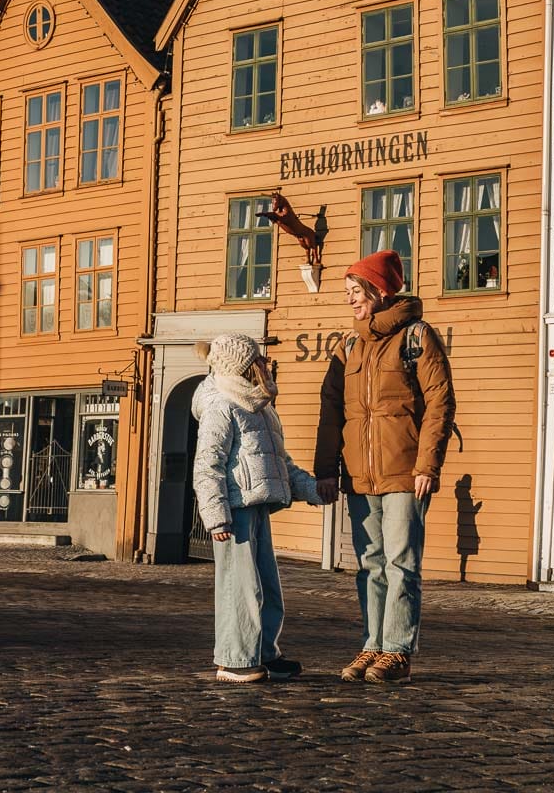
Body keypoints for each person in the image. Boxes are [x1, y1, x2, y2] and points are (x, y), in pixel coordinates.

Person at [314, 249, 456, 685]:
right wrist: (326, 470)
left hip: (405, 472)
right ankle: (372, 643)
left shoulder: (417, 336)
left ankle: (397, 650)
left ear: (380, 290)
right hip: (360, 476)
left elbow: (440, 403)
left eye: (356, 292)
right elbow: (331, 408)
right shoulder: (349, 346)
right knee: (369, 565)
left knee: (401, 562)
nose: (351, 301)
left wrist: (427, 465)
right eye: (347, 293)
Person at [192, 332, 322, 684]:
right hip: (234, 511)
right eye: (258, 360)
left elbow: (280, 463)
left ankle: (264, 652)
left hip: (258, 505)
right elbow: (207, 465)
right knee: (241, 586)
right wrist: (216, 515)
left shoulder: (259, 406)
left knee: (266, 586)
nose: (265, 365)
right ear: (243, 367)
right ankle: (234, 659)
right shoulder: (221, 405)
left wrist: (314, 490)